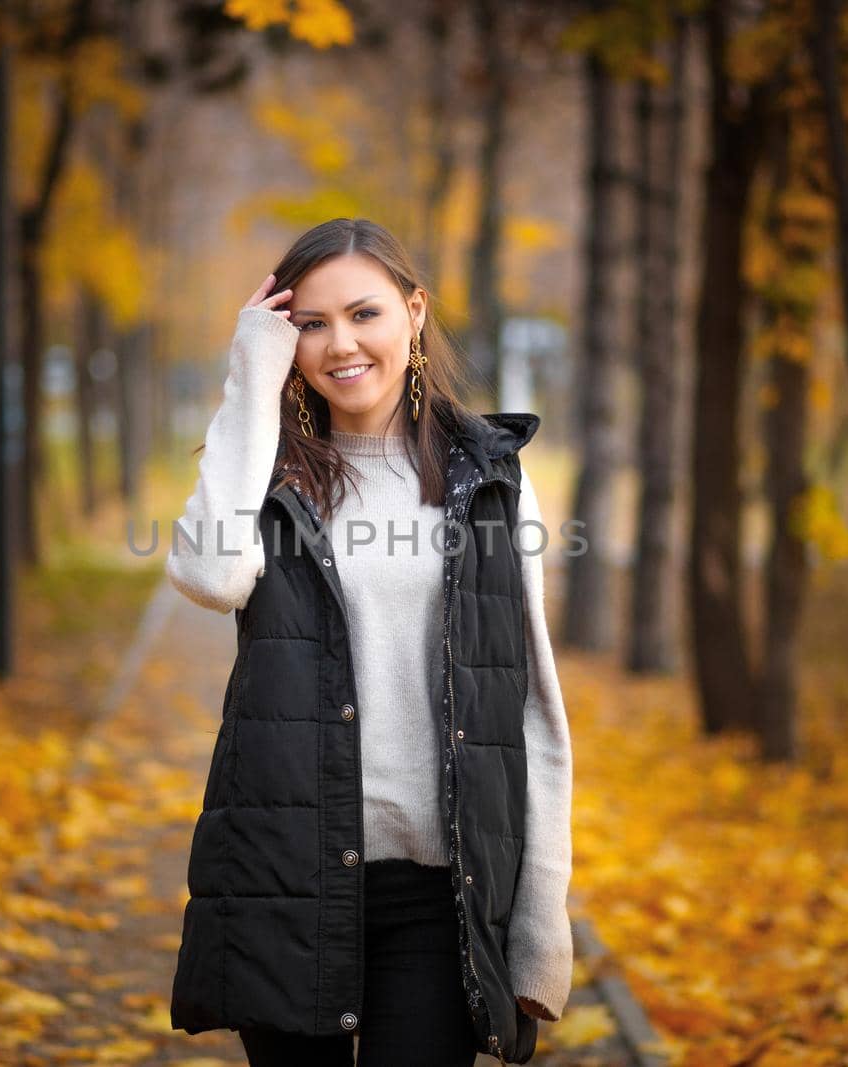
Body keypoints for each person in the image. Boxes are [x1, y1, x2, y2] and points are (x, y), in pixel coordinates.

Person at [165, 217, 573, 1065]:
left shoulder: (488, 475)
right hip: (285, 877)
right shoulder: (265, 472)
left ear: (414, 313)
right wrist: (249, 378)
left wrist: (539, 925)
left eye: (364, 314)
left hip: (438, 894)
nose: (340, 344)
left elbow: (529, 703)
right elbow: (209, 577)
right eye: (310, 324)